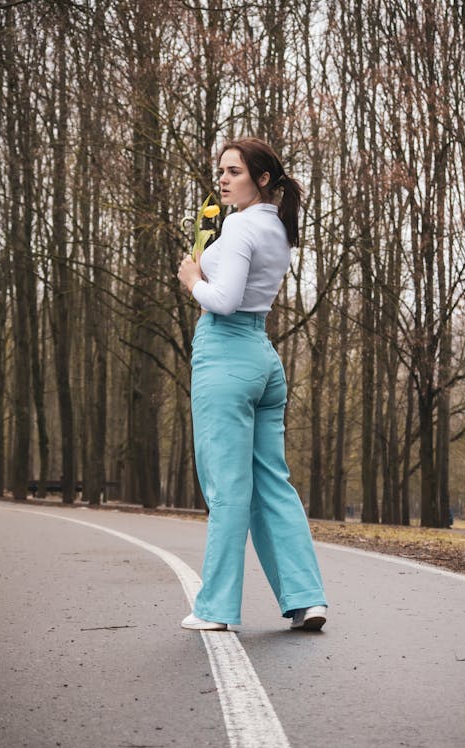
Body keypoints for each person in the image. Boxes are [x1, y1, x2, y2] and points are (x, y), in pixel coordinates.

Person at [177, 137, 328, 631]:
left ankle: (216, 610)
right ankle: (307, 598)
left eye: (234, 171)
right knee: (272, 484)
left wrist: (192, 279)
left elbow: (223, 300)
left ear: (262, 179)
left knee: (227, 489)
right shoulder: (277, 228)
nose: (222, 179)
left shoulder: (241, 226)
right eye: (221, 171)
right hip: (263, 359)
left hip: (226, 354)